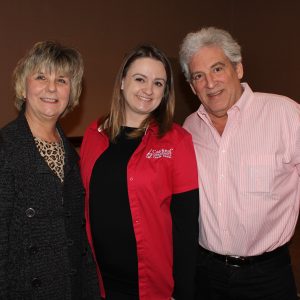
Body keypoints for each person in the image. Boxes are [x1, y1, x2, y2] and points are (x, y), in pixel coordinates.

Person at [179, 26, 300, 300]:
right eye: (199, 76)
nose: (210, 83)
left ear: (239, 69)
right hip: (206, 274)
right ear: (191, 86)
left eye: (218, 69)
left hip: (267, 276)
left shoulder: (286, 115)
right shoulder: (188, 129)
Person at [80, 44, 199, 300]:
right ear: (122, 82)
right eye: (140, 79)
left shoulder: (177, 141)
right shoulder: (94, 133)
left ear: (165, 91)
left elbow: (186, 228)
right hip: (98, 282)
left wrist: (183, 292)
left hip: (152, 285)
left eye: (158, 83)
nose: (148, 90)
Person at [0, 41, 101, 300]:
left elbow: (79, 240)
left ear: (72, 92)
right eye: (41, 76)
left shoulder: (71, 155)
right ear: (24, 87)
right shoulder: (5, 147)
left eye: (62, 80)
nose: (52, 88)